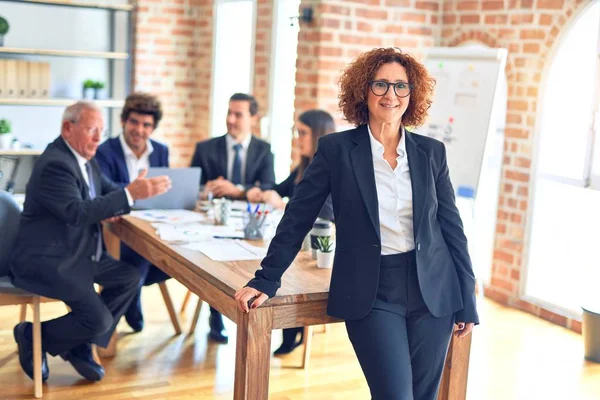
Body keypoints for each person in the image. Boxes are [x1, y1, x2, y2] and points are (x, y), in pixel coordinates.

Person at [234, 47, 478, 400]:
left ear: (413, 94)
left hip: (434, 291)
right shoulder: (336, 150)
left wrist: (467, 297)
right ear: (364, 90)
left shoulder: (430, 152)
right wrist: (266, 278)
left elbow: (452, 228)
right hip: (373, 290)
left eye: (400, 86)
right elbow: (298, 216)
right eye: (380, 85)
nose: (391, 95)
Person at [10, 101, 171, 383]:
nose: (99, 137)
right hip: (48, 260)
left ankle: (80, 342)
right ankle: (32, 335)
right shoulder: (56, 164)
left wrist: (127, 197)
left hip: (77, 252)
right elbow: (76, 212)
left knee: (129, 277)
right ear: (67, 128)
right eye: (92, 130)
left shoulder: (85, 157)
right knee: (99, 320)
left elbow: (107, 193)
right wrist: (129, 196)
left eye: (102, 130)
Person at [246, 109, 335, 355]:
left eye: (303, 133)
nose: (298, 139)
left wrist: (278, 203)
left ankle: (292, 329)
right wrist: (259, 192)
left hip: (316, 248)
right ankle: (288, 330)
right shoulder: (303, 167)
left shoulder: (331, 170)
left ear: (319, 134)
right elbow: (277, 188)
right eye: (297, 132)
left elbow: (325, 214)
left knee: (286, 269)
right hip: (298, 244)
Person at [191, 92, 275, 344]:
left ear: (253, 118)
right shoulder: (205, 148)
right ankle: (215, 315)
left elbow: (269, 188)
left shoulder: (264, 150)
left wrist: (237, 190)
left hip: (249, 225)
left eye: (238, 114)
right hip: (213, 224)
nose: (231, 119)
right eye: (229, 113)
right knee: (213, 265)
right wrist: (207, 189)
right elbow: (193, 187)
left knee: (251, 264)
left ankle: (248, 318)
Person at [96, 92, 170, 333]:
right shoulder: (105, 151)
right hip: (115, 228)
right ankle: (116, 315)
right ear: (123, 121)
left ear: (153, 127)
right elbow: (103, 191)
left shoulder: (160, 151)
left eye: (147, 125)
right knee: (140, 254)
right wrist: (134, 191)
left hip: (152, 223)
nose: (139, 130)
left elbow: (163, 189)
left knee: (174, 259)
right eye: (134, 122)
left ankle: (132, 291)